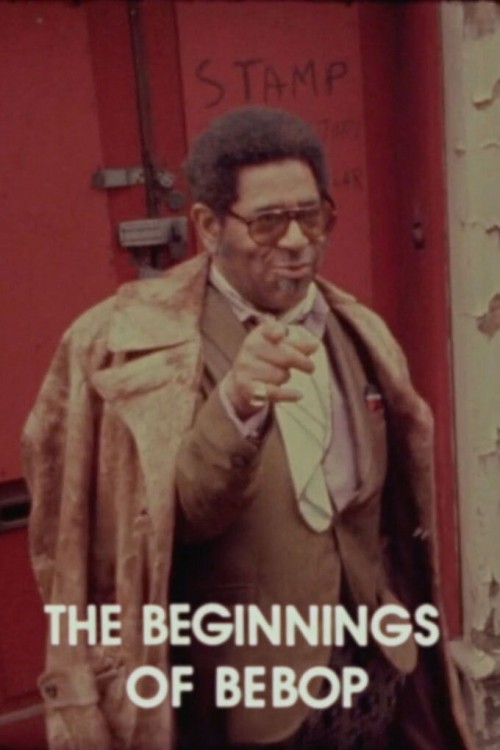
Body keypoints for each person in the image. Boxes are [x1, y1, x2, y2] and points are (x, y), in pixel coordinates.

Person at [23, 106, 475, 750]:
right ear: (209, 227)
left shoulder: (360, 330)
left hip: (371, 672)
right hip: (243, 697)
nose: (296, 241)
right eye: (267, 222)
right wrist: (237, 404)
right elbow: (174, 522)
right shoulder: (123, 346)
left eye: (310, 216)